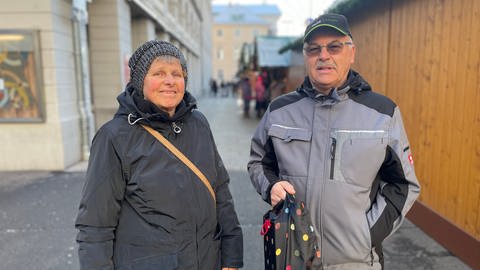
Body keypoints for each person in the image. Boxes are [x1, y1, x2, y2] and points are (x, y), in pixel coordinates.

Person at [248, 13, 420, 269]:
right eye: (314, 49)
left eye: (334, 47)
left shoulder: (382, 113)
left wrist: (366, 236)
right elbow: (259, 163)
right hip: (293, 257)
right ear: (306, 56)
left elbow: (402, 185)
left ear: (351, 53)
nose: (323, 55)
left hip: (356, 261)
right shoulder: (279, 111)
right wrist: (271, 186)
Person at [75, 40, 243, 270]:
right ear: (139, 80)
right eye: (158, 73)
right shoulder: (114, 137)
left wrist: (232, 257)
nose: (170, 81)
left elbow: (221, 192)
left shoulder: (199, 124)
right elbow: (95, 225)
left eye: (177, 73)